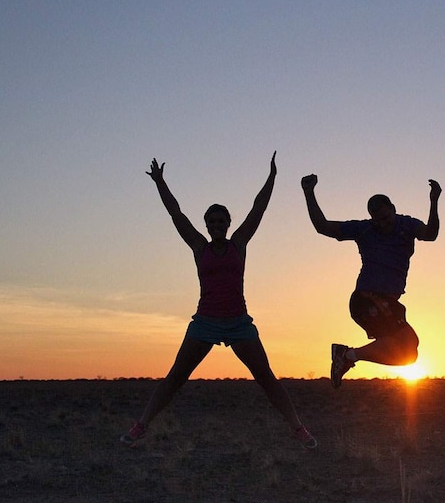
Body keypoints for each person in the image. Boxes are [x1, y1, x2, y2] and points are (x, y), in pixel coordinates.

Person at [120, 153, 316, 449]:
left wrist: (272, 177)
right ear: (207, 225)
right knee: (175, 378)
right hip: (206, 322)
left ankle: (297, 427)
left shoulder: (239, 243)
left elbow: (257, 210)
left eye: (221, 220)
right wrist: (160, 182)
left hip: (239, 322)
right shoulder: (199, 247)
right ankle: (141, 425)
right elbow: (176, 214)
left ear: (227, 223)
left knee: (266, 377)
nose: (216, 224)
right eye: (211, 221)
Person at [301, 174, 441, 388]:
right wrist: (309, 193)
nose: (383, 224)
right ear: (371, 218)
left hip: (386, 301)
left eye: (386, 218)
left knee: (409, 351)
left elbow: (430, 234)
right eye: (378, 220)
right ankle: (346, 356)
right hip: (367, 299)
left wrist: (434, 201)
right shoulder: (364, 229)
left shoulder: (407, 225)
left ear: (393, 208)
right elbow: (323, 226)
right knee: (406, 344)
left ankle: (347, 355)